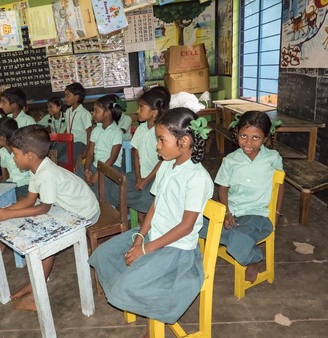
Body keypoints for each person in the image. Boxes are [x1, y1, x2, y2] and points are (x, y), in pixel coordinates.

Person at [88, 108, 213, 330]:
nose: (157, 146)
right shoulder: (167, 164)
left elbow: (185, 227)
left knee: (125, 286)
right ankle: (144, 304)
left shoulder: (197, 178)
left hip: (177, 249)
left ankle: (155, 318)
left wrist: (145, 250)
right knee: (102, 255)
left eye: (161, 140)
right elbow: (155, 205)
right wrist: (139, 238)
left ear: (183, 141)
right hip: (154, 236)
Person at [0, 125, 100, 311]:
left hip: (85, 213)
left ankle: (37, 292)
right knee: (40, 235)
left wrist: (7, 213)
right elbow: (30, 199)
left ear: (29, 156)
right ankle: (36, 284)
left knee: (44, 242)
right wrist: (4, 212)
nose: (13, 158)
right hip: (68, 207)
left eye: (15, 154)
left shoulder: (46, 174)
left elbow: (43, 208)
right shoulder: (36, 168)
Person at [199, 110, 284, 283]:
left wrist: (276, 213)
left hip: (256, 214)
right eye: (244, 135)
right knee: (196, 224)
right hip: (232, 211)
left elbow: (280, 186)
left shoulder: (273, 158)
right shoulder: (230, 160)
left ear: (266, 138)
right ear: (237, 134)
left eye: (256, 138)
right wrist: (226, 213)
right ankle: (241, 245)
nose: (248, 142)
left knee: (240, 235)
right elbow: (222, 189)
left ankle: (252, 259)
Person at [126, 89, 169, 225]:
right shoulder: (140, 129)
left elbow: (163, 160)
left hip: (157, 176)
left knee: (146, 195)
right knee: (119, 188)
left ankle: (151, 222)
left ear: (154, 112)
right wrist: (139, 177)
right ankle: (142, 222)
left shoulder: (161, 132)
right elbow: (136, 154)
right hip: (142, 175)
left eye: (141, 107)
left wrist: (146, 180)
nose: (137, 111)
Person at [79, 94, 123, 196]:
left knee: (98, 189)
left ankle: (105, 207)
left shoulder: (117, 132)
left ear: (107, 113)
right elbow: (90, 152)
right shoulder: (96, 130)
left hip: (110, 168)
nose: (93, 114)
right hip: (96, 165)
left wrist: (97, 175)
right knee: (77, 180)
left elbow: (112, 159)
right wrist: (86, 170)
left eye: (96, 111)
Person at [0, 117, 30, 200]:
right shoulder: (3, 151)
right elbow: (6, 172)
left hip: (26, 183)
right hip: (10, 182)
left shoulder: (23, 150)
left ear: (1, 139)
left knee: (19, 202)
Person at [63, 83, 92, 167]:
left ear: (76, 97)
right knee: (56, 150)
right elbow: (67, 128)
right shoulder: (68, 112)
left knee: (66, 158)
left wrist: (87, 149)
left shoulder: (84, 113)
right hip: (70, 142)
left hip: (80, 143)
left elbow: (89, 131)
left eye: (68, 96)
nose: (65, 98)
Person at [38, 97, 67, 162]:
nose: (48, 109)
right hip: (54, 142)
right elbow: (38, 126)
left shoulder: (66, 116)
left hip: (65, 142)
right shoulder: (48, 117)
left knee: (54, 153)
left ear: (59, 107)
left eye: (51, 107)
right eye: (48, 107)